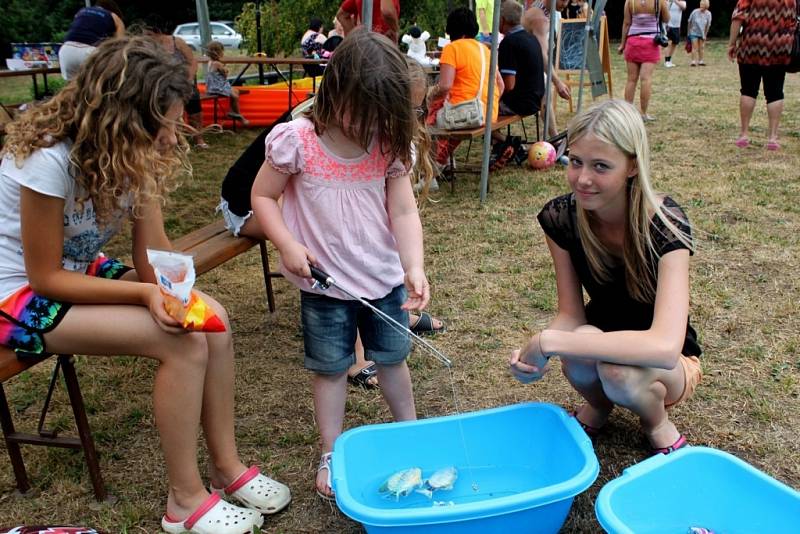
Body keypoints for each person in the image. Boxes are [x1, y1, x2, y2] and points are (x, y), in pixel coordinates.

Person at [0, 36, 290, 533]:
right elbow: (46, 277)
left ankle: (227, 468)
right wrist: (144, 294)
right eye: (166, 123)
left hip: (73, 275)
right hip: (17, 291)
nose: (174, 135)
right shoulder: (47, 161)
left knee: (210, 320)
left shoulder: (130, 153)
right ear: (125, 117)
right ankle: (183, 500)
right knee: (179, 345)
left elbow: (152, 256)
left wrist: (178, 293)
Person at [251, 28, 430, 501]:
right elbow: (262, 196)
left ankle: (408, 433)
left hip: (384, 281)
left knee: (393, 359)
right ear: (336, 92)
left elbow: (404, 210)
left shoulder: (388, 144)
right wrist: (287, 243)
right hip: (324, 286)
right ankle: (332, 451)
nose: (370, 125)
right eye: (364, 113)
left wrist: (414, 265)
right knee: (330, 370)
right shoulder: (298, 141)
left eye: (381, 116)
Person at [509, 99, 702, 456]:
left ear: (631, 166)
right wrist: (533, 353)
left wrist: (548, 343)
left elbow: (664, 347)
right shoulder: (561, 217)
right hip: (598, 341)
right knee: (582, 343)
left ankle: (657, 423)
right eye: (577, 161)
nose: (583, 179)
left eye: (600, 166)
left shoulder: (665, 224)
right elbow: (571, 315)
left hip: (669, 365)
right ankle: (598, 406)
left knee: (618, 373)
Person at [426, 8, 504, 171]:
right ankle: (443, 161)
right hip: (489, 113)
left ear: (451, 29)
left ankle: (432, 168)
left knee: (426, 118)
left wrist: (428, 96)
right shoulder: (486, 50)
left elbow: (445, 86)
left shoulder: (452, 48)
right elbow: (501, 86)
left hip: (466, 113)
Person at [728, 0, 796, 151]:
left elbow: (738, 17)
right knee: (775, 92)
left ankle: (744, 134)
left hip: (751, 45)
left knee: (748, 90)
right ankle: (772, 137)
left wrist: (732, 43)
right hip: (780, 47)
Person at [492, 0, 545, 169]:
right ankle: (501, 146)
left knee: (484, 110)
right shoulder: (531, 38)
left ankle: (509, 142)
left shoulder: (509, 43)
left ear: (502, 20)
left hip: (518, 103)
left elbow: (509, 85)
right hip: (536, 100)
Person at [145, 15, 209, 149]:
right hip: (164, 85)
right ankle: (174, 140)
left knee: (194, 110)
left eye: (150, 34)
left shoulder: (176, 42)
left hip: (184, 82)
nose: (148, 37)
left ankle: (199, 138)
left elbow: (192, 62)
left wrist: (188, 80)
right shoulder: (149, 47)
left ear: (158, 32)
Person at [522, 0, 572, 138]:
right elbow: (542, 54)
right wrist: (558, 83)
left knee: (546, 97)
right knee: (545, 95)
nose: (565, 3)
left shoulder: (544, 10)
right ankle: (555, 138)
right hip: (523, 72)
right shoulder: (540, 18)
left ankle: (555, 137)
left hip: (530, 66)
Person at [618, 0, 670, 121]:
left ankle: (628, 113)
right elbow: (666, 19)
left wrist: (622, 44)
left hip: (633, 42)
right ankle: (643, 113)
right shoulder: (659, 1)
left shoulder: (630, 2)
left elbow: (626, 23)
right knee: (646, 79)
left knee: (631, 79)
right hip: (650, 42)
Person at [58, 0, 125, 80]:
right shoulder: (113, 16)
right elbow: (120, 45)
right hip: (89, 52)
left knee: (72, 88)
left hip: (66, 51)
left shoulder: (81, 12)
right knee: (95, 87)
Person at [205, 41, 250, 127]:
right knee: (235, 95)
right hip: (218, 88)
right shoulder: (217, 64)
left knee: (235, 91)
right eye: (222, 51)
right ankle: (238, 115)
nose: (223, 53)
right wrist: (225, 69)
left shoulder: (210, 62)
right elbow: (225, 75)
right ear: (218, 53)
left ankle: (232, 112)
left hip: (212, 87)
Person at [687, 0, 712, 67]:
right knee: (694, 47)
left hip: (702, 33)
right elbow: (689, 21)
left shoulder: (708, 14)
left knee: (701, 47)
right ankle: (693, 61)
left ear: (706, 7)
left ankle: (701, 61)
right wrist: (689, 32)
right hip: (694, 32)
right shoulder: (695, 12)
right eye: (701, 5)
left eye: (703, 5)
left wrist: (705, 34)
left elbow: (708, 25)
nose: (701, 6)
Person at [664, 0, 687, 68]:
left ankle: (669, 59)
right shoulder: (667, 1)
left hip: (677, 26)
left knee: (675, 43)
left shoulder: (682, 2)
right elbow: (664, 9)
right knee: (667, 43)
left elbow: (683, 7)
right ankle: (666, 61)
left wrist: (675, 1)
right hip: (668, 25)